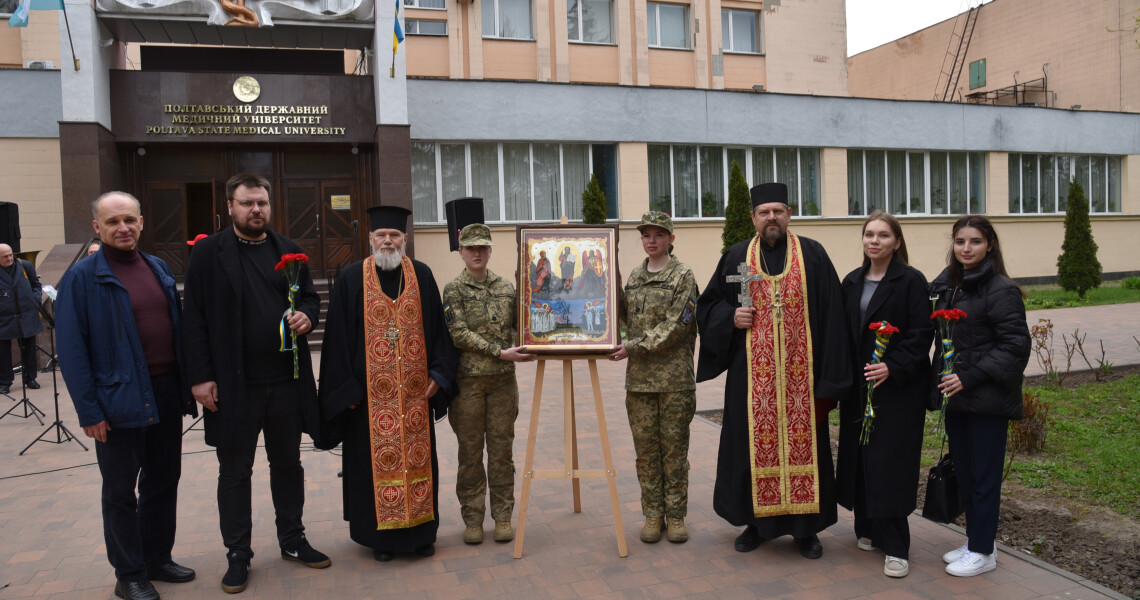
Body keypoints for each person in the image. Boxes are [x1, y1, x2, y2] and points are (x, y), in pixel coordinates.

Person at [182, 173, 329, 595]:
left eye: (262, 203)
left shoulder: (289, 250)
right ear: (230, 206)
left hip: (285, 382)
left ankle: (293, 539)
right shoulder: (209, 252)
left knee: (288, 464)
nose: (256, 210)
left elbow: (308, 298)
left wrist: (307, 316)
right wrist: (200, 377)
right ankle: (238, 553)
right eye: (247, 203)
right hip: (233, 386)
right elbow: (193, 318)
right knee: (234, 472)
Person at [696, 182, 850, 560]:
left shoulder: (813, 256)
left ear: (789, 214)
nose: (771, 218)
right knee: (749, 448)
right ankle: (756, 525)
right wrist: (730, 316)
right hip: (753, 381)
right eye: (764, 212)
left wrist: (829, 382)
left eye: (778, 211)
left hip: (803, 380)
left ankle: (806, 530)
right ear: (753, 218)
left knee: (806, 449)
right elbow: (708, 305)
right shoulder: (737, 257)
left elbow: (833, 318)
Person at [56, 192, 198, 600]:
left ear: (141, 222)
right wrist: (89, 409)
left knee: (163, 479)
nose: (123, 228)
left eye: (130, 220)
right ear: (96, 228)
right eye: (113, 221)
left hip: (165, 392)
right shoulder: (82, 278)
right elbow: (72, 349)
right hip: (116, 401)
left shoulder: (156, 267)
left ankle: (157, 557)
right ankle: (129, 574)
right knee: (120, 492)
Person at [319, 205, 458, 562]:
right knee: (370, 467)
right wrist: (346, 391)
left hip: (413, 399)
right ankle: (380, 540)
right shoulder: (351, 279)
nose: (387, 241)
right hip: (368, 404)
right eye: (381, 235)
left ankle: (421, 534)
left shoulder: (422, 276)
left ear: (405, 240)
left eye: (394, 236)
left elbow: (440, 336)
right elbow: (335, 341)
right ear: (370, 239)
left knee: (418, 462)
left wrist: (438, 375)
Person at [930, 215, 1030, 577]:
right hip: (957, 398)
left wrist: (966, 378)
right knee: (967, 474)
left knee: (984, 477)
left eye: (974, 241)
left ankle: (985, 552)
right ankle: (975, 540)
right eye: (960, 242)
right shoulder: (951, 286)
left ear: (989, 245)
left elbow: (1015, 347)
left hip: (986, 400)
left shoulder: (1000, 289)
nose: (966, 248)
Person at [836, 211, 933, 578]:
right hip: (859, 386)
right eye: (869, 235)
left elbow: (922, 334)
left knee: (889, 463)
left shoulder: (910, 281)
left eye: (883, 236)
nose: (874, 241)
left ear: (897, 242)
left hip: (896, 390)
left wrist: (892, 366)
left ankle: (896, 546)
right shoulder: (852, 281)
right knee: (860, 457)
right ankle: (868, 529)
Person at [609, 211, 699, 544]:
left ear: (670, 239)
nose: (652, 240)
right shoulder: (634, 277)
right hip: (640, 384)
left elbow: (677, 327)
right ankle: (652, 514)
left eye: (659, 235)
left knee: (674, 453)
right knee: (646, 454)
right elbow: (622, 316)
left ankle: (675, 516)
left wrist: (632, 346)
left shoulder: (683, 276)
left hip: (674, 382)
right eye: (646, 235)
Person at [442, 223, 534, 545]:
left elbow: (523, 327)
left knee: (501, 454)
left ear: (490, 250)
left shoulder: (507, 288)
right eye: (471, 248)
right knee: (469, 454)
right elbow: (459, 333)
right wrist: (500, 351)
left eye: (482, 247)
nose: (477, 253)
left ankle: (503, 517)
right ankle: (472, 518)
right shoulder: (453, 290)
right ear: (461, 252)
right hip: (468, 385)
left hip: (502, 385)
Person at [0, 243, 43, 394]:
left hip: (27, 315)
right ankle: (5, 382)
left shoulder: (25, 265)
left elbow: (36, 284)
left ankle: (30, 378)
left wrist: (35, 299)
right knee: (3, 352)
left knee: (29, 348)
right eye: (5, 256)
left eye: (11, 254)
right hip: (4, 319)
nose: (9, 258)